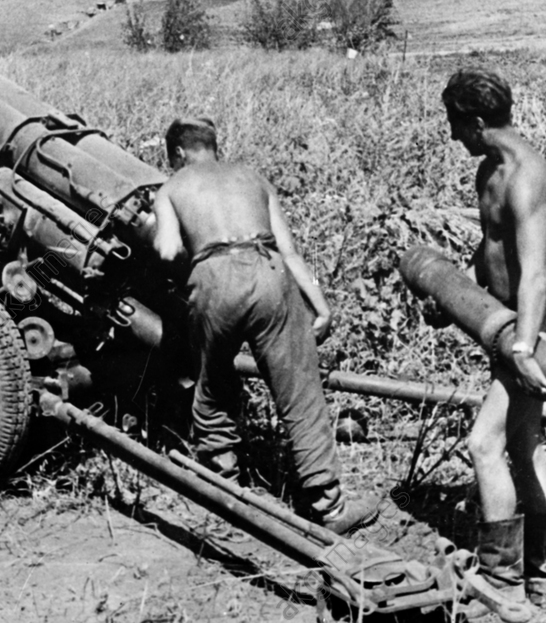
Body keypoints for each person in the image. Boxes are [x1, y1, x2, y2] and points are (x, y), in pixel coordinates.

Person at [152, 117, 378, 534]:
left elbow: (167, 251)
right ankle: (329, 507)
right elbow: (290, 252)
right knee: (299, 390)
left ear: (179, 153)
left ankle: (223, 485)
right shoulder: (252, 178)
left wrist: (197, 269)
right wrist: (320, 304)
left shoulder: (171, 188)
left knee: (213, 383)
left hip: (214, 278)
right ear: (214, 146)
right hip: (269, 271)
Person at [441, 68, 546, 613]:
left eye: (454, 125)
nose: (452, 137)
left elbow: (536, 273)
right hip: (506, 324)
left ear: (474, 121)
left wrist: (522, 348)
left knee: (484, 444)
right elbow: (491, 246)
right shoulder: (489, 171)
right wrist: (457, 297)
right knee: (524, 444)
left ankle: (501, 579)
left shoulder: (526, 176)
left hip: (533, 330)